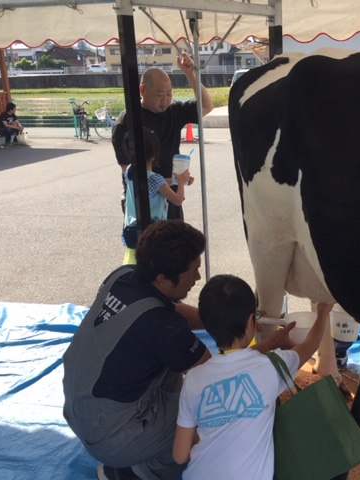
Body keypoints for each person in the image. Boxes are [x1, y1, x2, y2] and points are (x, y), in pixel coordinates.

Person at [62, 220, 294, 480]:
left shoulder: (125, 275)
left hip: (80, 406)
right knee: (210, 413)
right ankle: (135, 472)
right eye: (193, 271)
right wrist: (269, 343)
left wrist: (226, 318)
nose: (198, 277)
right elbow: (222, 376)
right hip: (110, 433)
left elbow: (171, 311)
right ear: (163, 278)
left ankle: (141, 447)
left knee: (181, 371)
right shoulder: (164, 328)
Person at [173, 274, 333, 479]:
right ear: (251, 320)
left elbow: (180, 456)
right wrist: (322, 314)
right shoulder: (270, 367)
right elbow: (309, 345)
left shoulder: (193, 379)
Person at [113, 52, 214, 219]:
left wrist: (191, 74)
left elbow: (206, 106)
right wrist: (172, 182)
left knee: (175, 235)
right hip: (144, 204)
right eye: (159, 95)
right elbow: (131, 174)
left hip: (171, 198)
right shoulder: (127, 122)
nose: (165, 100)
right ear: (143, 90)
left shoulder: (174, 111)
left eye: (169, 94)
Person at [121, 127, 193, 264]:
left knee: (137, 263)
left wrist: (175, 180)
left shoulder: (130, 171)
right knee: (154, 264)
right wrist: (181, 183)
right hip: (151, 231)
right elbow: (177, 200)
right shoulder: (155, 178)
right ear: (154, 153)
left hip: (131, 229)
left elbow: (157, 184)